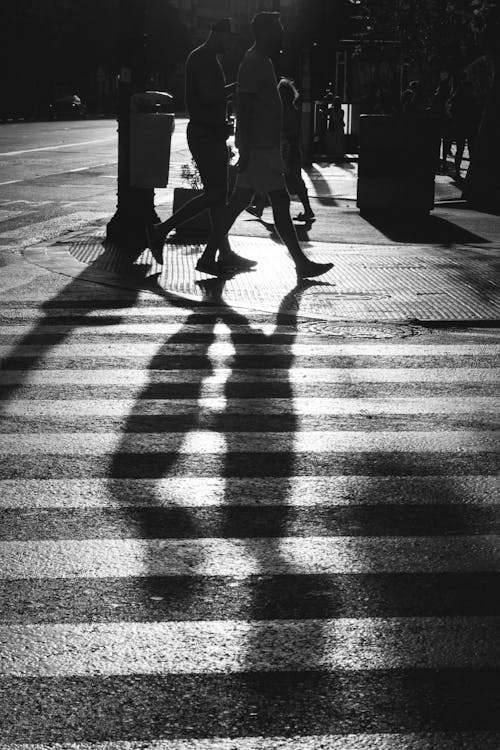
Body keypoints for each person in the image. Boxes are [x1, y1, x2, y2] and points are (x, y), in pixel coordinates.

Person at [196, 12, 333, 280]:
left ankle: (208, 255)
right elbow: (244, 107)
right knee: (277, 202)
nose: (281, 33)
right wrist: (244, 148)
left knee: (242, 204)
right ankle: (301, 264)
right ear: (266, 32)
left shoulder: (263, 62)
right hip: (259, 150)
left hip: (263, 148)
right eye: (278, 29)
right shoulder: (253, 63)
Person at [146, 19, 255, 273]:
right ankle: (161, 230)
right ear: (218, 35)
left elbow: (209, 95)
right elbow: (208, 96)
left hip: (210, 134)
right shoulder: (204, 58)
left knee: (218, 197)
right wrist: (236, 88)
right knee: (217, 194)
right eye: (229, 39)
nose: (231, 44)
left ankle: (224, 253)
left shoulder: (205, 57)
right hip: (205, 135)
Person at [247, 77, 315, 221]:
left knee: (290, 179)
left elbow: (289, 131)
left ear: (287, 95)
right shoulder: (286, 109)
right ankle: (260, 208)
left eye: (282, 93)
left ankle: (306, 210)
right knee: (276, 176)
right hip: (286, 149)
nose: (280, 96)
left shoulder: (288, 111)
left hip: (288, 150)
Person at [325, 95, 345, 161]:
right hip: (338, 127)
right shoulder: (341, 111)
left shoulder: (330, 110)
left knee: (333, 140)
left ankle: (332, 152)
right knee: (338, 141)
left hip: (333, 126)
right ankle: (338, 153)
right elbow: (341, 120)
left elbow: (325, 114)